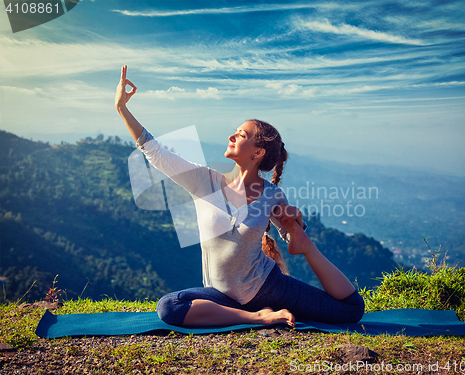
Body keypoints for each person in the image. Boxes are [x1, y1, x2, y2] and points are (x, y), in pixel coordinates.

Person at [115, 65, 364, 327]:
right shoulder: (204, 181)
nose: (231, 136)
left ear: (257, 153)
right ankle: (257, 317)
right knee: (169, 306)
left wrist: (296, 225)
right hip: (222, 297)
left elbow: (289, 232)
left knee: (350, 311)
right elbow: (155, 152)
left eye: (241, 135)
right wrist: (122, 108)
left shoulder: (272, 195)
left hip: (269, 287)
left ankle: (305, 251)